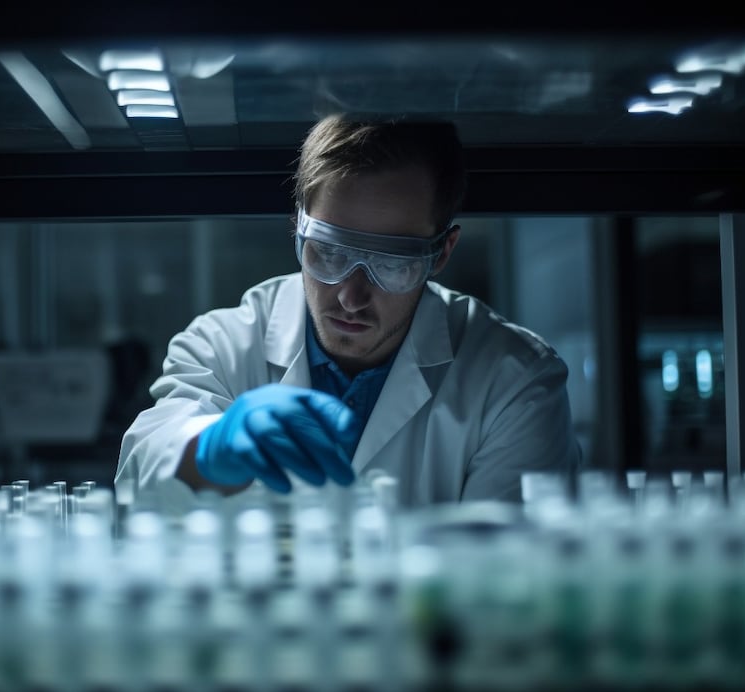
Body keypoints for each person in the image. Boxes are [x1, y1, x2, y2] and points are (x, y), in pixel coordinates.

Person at [115, 113, 581, 508]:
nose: (350, 296)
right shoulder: (222, 346)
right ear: (297, 229)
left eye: (393, 261)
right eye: (330, 252)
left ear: (441, 253)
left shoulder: (514, 380)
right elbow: (142, 479)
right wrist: (209, 448)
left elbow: (506, 576)